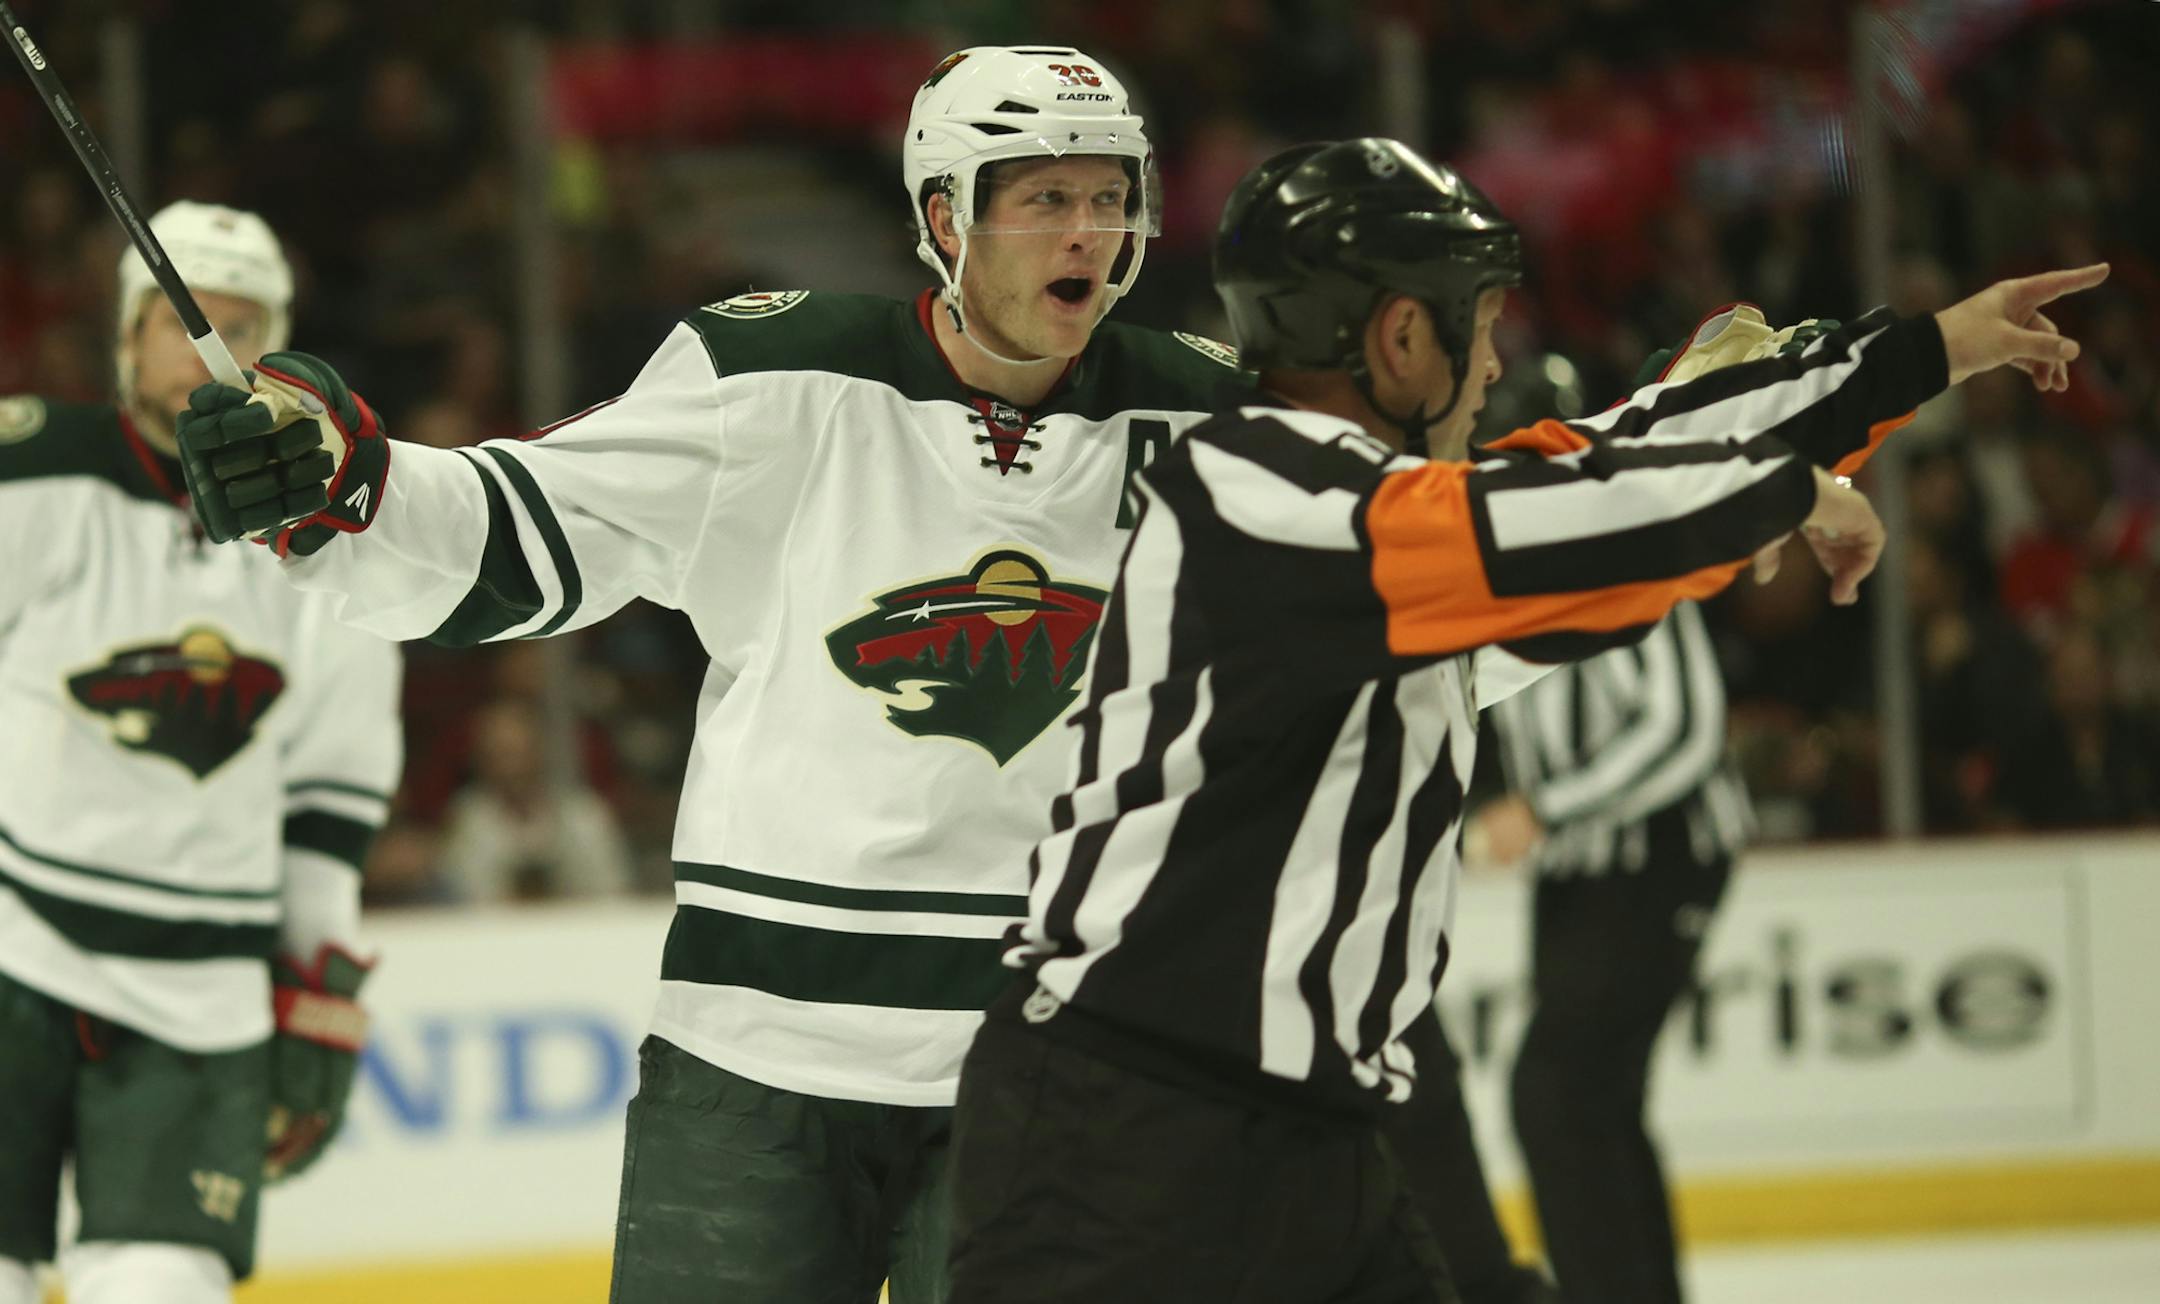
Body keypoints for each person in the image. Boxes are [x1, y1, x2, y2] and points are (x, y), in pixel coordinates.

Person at [941, 137, 2105, 1301]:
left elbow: (1619, 453)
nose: (1495, 365)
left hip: (1312, 1139)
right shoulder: (1255, 497)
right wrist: (1785, 488)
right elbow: (1574, 516)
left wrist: (1935, 347)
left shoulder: (1372, 521)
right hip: (1123, 1150)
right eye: (1480, 324)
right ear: (1401, 338)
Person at [173, 46, 1248, 1304]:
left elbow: (1415, 610)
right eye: (1045, 197)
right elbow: (526, 526)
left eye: (1108, 194)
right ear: (945, 214)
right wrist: (347, 473)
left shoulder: (1211, 427)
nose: (1088, 230)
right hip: (754, 1066)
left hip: (1062, 1071)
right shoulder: (772, 383)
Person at [0, 202, 402, 1304]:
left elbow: (334, 782)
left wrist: (316, 971)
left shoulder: (332, 536)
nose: (201, 348)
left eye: (234, 325)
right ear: (127, 335)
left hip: (206, 990)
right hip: (13, 949)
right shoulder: (28, 477)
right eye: (178, 321)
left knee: (164, 1288)